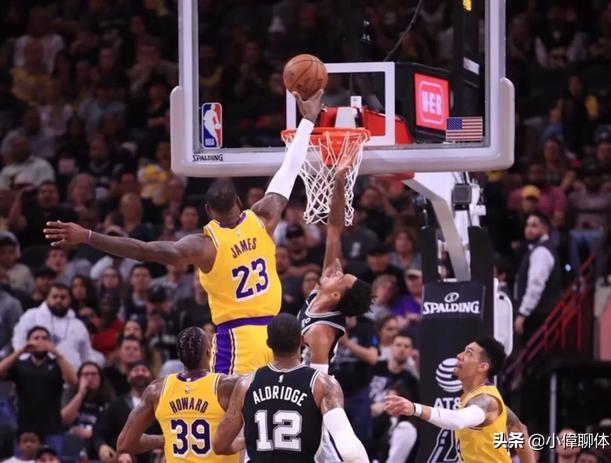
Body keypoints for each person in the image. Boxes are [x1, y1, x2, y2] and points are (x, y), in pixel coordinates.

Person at [44, 90, 324, 375]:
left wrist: (88, 236)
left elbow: (142, 250)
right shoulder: (264, 217)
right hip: (275, 338)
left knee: (227, 403)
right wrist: (309, 119)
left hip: (238, 342)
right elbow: (289, 169)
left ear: (207, 210)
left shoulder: (204, 246)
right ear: (240, 202)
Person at [212, 313, 368, 463]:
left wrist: (248, 439)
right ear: (302, 340)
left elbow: (219, 445)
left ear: (268, 343)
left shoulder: (245, 384)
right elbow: (349, 450)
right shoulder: (323, 384)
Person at [384, 336, 535, 463]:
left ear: (482, 367)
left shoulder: (486, 400)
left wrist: (415, 408)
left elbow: (458, 420)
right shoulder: (481, 398)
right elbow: (520, 430)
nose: (459, 355)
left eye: (468, 353)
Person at [116, 327, 241, 463]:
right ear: (209, 351)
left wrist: (162, 440)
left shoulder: (156, 389)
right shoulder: (227, 386)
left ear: (179, 355)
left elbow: (124, 443)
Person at [297, 158, 373, 373]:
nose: (337, 272)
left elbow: (318, 382)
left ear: (335, 295)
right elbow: (334, 229)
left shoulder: (322, 332)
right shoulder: (322, 292)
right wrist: (339, 180)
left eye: (341, 278)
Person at [0, 326, 77, 455]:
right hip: (25, 428)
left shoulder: (57, 364)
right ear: (28, 341)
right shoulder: (20, 365)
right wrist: (21, 351)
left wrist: (57, 353)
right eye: (36, 338)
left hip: (52, 427)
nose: (40, 341)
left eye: (44, 338)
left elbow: (73, 380)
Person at [513, 212, 562, 340]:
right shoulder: (536, 249)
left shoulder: (541, 252)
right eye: (527, 225)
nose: (528, 229)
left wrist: (523, 313)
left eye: (534, 226)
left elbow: (535, 286)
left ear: (545, 229)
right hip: (537, 315)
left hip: (537, 316)